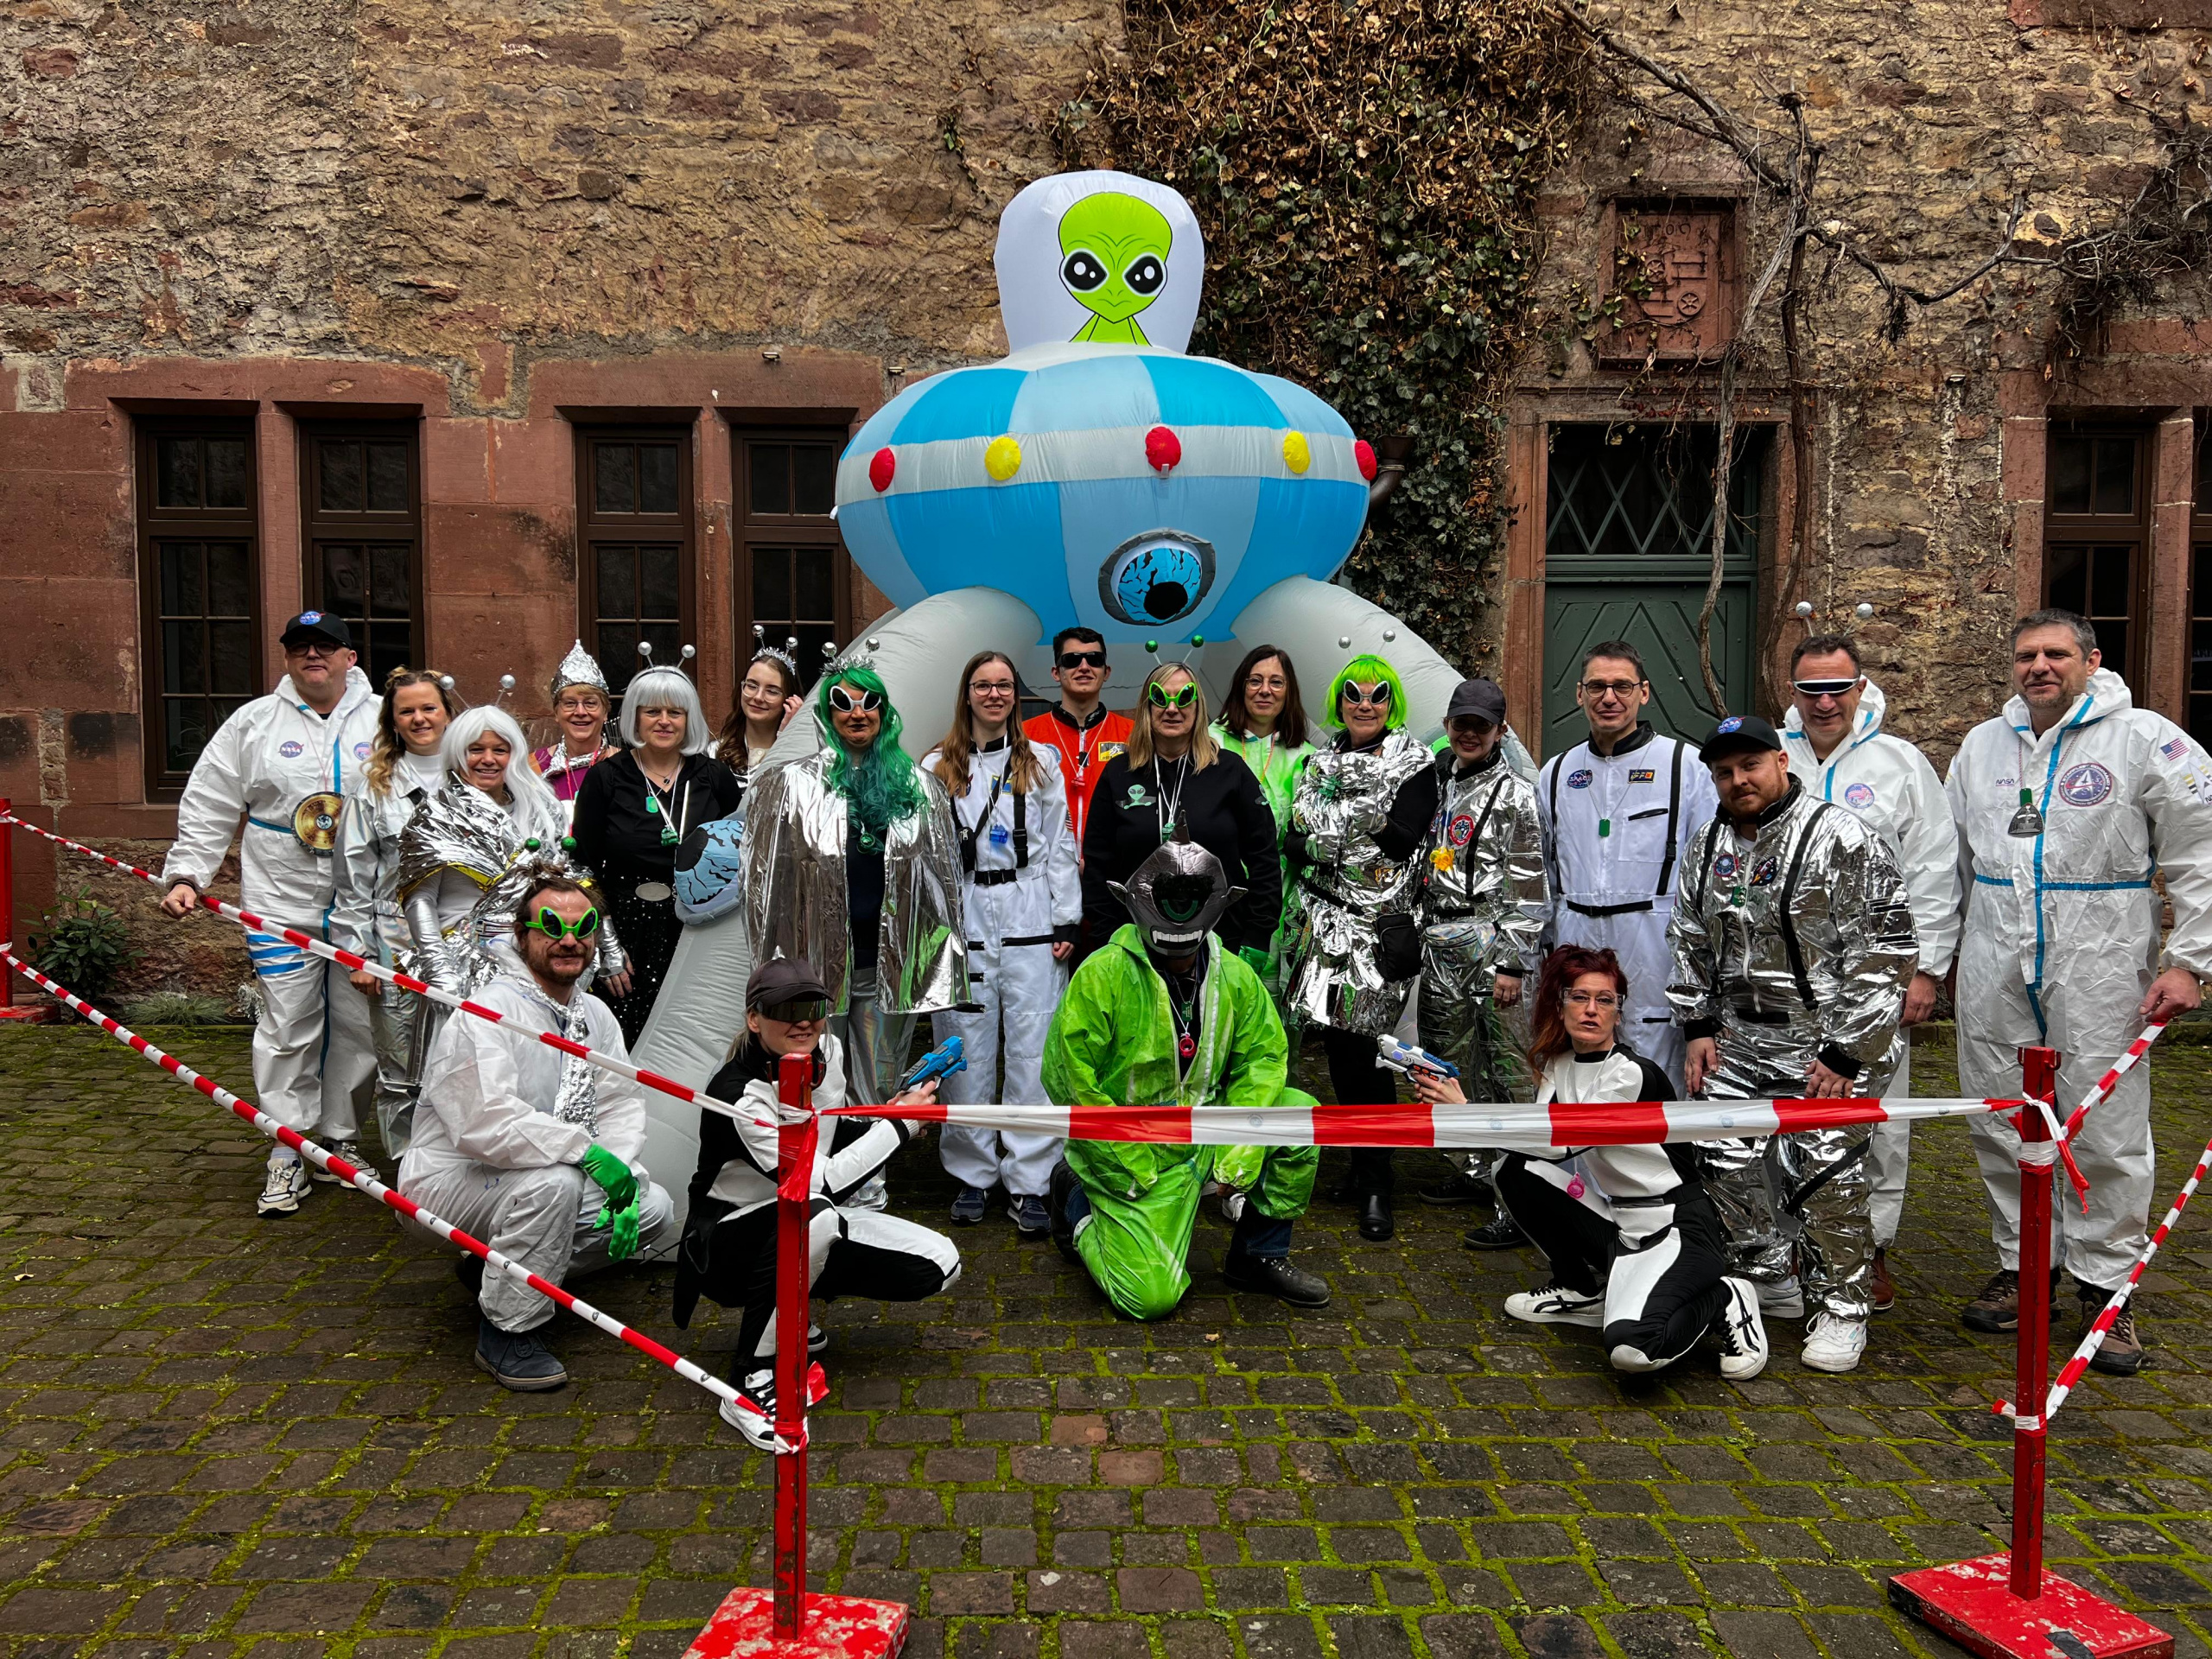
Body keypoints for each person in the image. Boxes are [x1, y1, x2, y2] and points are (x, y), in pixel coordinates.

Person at [1948, 608, 2212, 1374]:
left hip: (2101, 953)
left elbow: (2200, 851)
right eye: (2027, 654)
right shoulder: (1982, 746)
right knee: (2004, 1114)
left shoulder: (2145, 739)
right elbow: (1950, 859)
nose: (2040, 666)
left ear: (2091, 661)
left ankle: (2107, 1287)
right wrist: (1941, 956)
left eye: (2056, 654)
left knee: (2105, 1121)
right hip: (1996, 949)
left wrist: (2190, 962)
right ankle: (2026, 1264)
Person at [1667, 714, 1916, 1374]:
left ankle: (1843, 1307)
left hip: (1827, 1043)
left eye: (1750, 765)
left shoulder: (1842, 838)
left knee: (1824, 1170)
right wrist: (1697, 1026)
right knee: (1719, 1155)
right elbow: (1689, 936)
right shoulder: (1707, 847)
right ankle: (1769, 1274)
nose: (1738, 780)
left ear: (1781, 761)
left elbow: (1887, 947)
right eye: (1724, 772)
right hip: (1740, 1039)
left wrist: (1846, 1050)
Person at [1412, 946, 1769, 1381]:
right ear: (1559, 1005)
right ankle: (1579, 1288)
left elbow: (1560, 1144)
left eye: (1605, 1000)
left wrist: (1465, 1111)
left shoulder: (1631, 1073)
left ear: (1618, 1012)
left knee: (1631, 1351)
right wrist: (1457, 1109)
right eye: (1579, 997)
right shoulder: (1559, 1063)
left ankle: (1725, 1298)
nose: (1591, 1010)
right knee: (1513, 1171)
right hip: (1620, 1224)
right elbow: (1533, 1143)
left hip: (1676, 1229)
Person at [401, 869, 675, 1392]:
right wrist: (584, 1153)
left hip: (538, 1175)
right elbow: (484, 1121)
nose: (569, 940)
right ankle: (508, 1330)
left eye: (583, 927)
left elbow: (618, 1102)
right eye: (551, 925)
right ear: (522, 934)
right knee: (556, 1186)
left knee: (652, 1208)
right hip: (451, 1179)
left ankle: (498, 1272)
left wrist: (619, 1170)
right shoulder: (489, 1010)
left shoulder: (595, 1015)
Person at [674, 957, 961, 1448]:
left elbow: (829, 1132)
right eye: (785, 1010)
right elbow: (816, 1182)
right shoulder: (738, 1095)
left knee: (940, 1263)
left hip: (804, 1216)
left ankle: (791, 1318)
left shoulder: (828, 1050)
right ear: (754, 1019)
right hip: (723, 1247)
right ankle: (748, 1379)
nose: (803, 1021)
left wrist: (889, 1115)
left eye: (813, 1008)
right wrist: (901, 1126)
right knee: (815, 1214)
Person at [1044, 834, 1330, 1316]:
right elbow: (1069, 1079)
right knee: (1149, 1300)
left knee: (1300, 1115)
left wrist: (1240, 1149)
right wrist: (1130, 1162)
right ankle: (1075, 1201)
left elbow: (1262, 1061)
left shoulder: (1235, 977)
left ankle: (1258, 1254)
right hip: (1134, 1151)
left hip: (1207, 1132)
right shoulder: (1102, 975)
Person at [160, 610, 382, 1217]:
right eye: (300, 646)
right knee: (288, 1023)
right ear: (287, 657)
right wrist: (187, 873)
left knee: (357, 1025)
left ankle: (337, 1140)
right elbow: (210, 800)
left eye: (325, 646)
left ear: (349, 657)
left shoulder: (385, 718)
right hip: (281, 898)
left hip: (363, 902)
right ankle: (289, 1144)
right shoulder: (254, 722)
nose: (313, 655)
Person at [1781, 635, 1960, 1315]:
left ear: (1861, 687)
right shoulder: (1772, 757)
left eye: (1838, 688)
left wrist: (1926, 970)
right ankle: (1792, 1244)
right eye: (1811, 690)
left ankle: (1869, 1246)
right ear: (1793, 692)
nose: (1825, 702)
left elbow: (1934, 867)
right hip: (1786, 974)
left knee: (1874, 1117)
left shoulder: (1900, 763)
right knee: (1787, 1109)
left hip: (1875, 974)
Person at [745, 663, 967, 1111]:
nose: (858, 713)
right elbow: (760, 884)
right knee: (811, 1082)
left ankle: (872, 1159)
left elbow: (943, 881)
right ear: (828, 713)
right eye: (843, 703)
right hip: (812, 967)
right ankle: (818, 1159)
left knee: (879, 1084)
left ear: (884, 712)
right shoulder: (788, 784)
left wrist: (940, 958)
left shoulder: (920, 788)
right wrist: (770, 967)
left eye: (870, 702)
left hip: (887, 965)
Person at [1281, 653, 1440, 1243]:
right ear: (1339, 702)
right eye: (1353, 693)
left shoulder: (1414, 762)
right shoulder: (1318, 760)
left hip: (1376, 932)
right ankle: (1358, 1162)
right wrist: (1323, 842)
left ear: (1392, 702)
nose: (1365, 704)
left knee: (1368, 1054)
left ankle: (1378, 1183)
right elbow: (1293, 839)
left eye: (1377, 695)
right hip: (1321, 927)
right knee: (1339, 1053)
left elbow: (1402, 843)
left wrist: (1361, 821)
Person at [925, 652, 1081, 1233]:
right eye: (983, 685)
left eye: (1004, 685)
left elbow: (1060, 842)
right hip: (964, 917)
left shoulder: (1040, 761)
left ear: (1016, 694)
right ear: (966, 694)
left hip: (1029, 912)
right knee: (964, 1047)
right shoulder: (937, 766)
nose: (994, 694)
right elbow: (925, 857)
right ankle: (972, 1172)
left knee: (1032, 1051)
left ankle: (1031, 1179)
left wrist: (1066, 919)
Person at [398, 709, 627, 1068]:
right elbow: (420, 898)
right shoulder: (437, 813)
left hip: (540, 954)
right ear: (457, 753)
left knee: (545, 1064)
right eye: (476, 750)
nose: (488, 759)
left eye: (500, 750)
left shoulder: (540, 806)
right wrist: (439, 970)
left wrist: (608, 941)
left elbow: (569, 878)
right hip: (466, 961)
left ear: (515, 754)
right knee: (473, 1067)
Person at [1535, 641, 1719, 1090]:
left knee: (1654, 1054)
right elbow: (1542, 874)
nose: (1609, 697)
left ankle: (1658, 1134)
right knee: (1577, 1054)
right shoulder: (1556, 773)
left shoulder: (1684, 766)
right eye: (1597, 686)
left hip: (1653, 937)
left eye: (1622, 686)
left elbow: (1708, 870)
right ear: (1580, 694)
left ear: (1644, 693)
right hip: (1576, 932)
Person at [1413, 678, 1550, 1246]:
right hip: (1440, 940)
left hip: (1493, 940)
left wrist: (1514, 962)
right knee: (1451, 1061)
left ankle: (1523, 1196)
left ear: (1500, 731)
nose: (1469, 734)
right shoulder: (1438, 782)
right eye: (1461, 723)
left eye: (1481, 726)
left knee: (1509, 1069)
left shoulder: (1517, 793)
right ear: (1448, 725)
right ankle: (1474, 1167)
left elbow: (1531, 883)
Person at [570, 665, 742, 1044]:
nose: (664, 721)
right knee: (626, 1039)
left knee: (692, 1041)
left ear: (688, 719)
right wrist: (606, 941)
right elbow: (581, 865)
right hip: (626, 935)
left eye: (675, 712)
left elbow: (743, 855)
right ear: (635, 717)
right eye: (652, 711)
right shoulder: (606, 778)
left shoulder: (715, 777)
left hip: (699, 931)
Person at [333, 665, 461, 1155]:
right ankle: (410, 1170)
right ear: (392, 721)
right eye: (407, 711)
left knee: (467, 1055)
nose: (419, 719)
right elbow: (352, 879)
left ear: (448, 713)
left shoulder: (475, 778)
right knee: (402, 1062)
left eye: (429, 708)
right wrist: (359, 954)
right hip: (396, 941)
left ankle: (461, 1165)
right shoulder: (375, 788)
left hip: (464, 935)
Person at [1082, 663, 1279, 971]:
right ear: (1147, 708)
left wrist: (1258, 934)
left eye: (1184, 697)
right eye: (1160, 698)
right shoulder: (1119, 773)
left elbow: (1264, 857)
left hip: (1220, 943)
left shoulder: (1230, 771)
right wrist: (1107, 938)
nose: (1172, 709)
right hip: (1134, 946)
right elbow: (1098, 865)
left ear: (1198, 707)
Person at [1211, 643, 1317, 994]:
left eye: (1276, 682)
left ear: (1290, 692)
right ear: (1241, 687)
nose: (1265, 690)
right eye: (1255, 680)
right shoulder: (1208, 743)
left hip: (1281, 901)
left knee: (1271, 1002)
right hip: (1214, 897)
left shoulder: (1308, 758)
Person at [1023, 626, 1132, 877]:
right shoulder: (1025, 735)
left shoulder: (1134, 735)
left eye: (1094, 659)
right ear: (1056, 672)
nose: (1084, 667)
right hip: (1044, 875)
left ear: (1106, 671)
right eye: (1072, 660)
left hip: (1112, 873)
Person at [534, 642, 620, 818]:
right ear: (556, 713)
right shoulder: (533, 766)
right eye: (570, 703)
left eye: (590, 703)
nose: (580, 712)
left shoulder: (626, 766)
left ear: (605, 712)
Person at [711, 639, 804, 794]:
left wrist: (788, 738)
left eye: (772, 691)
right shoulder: (713, 753)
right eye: (752, 686)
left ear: (789, 699)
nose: (758, 697)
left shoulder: (802, 756)